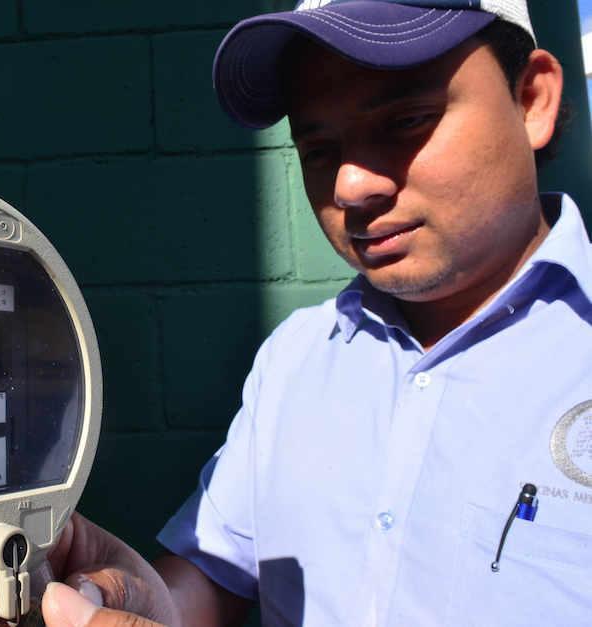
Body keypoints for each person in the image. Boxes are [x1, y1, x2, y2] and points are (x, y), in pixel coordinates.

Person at [39, 1, 592, 625]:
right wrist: (123, 596)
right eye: (320, 148)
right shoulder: (297, 354)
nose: (350, 186)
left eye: (407, 120)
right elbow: (213, 579)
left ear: (533, 99)